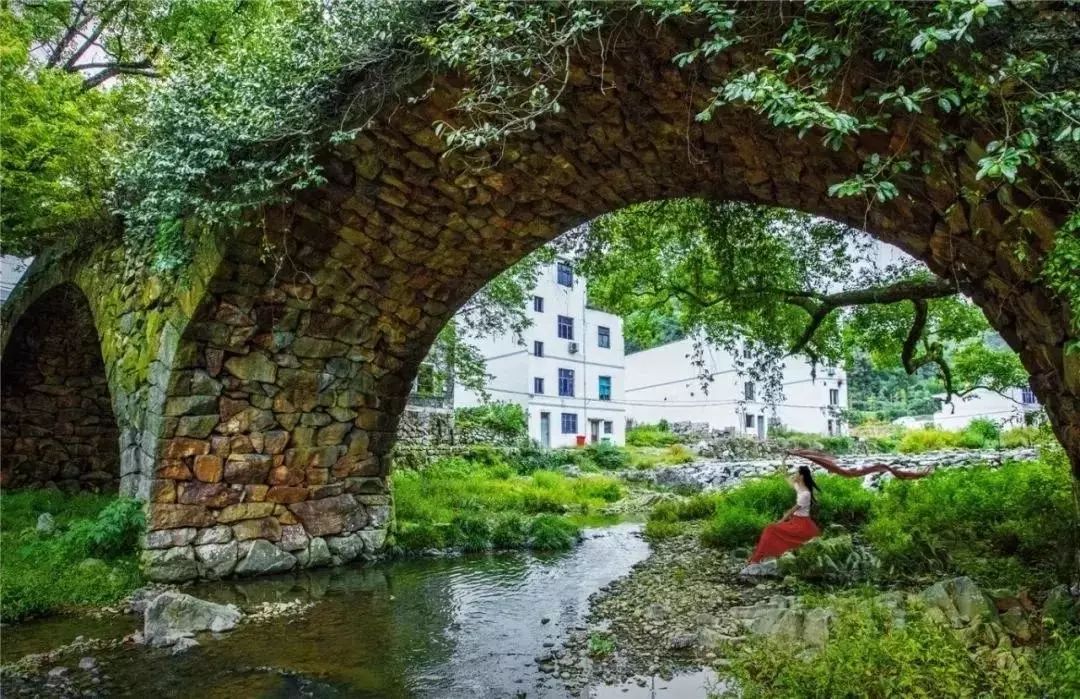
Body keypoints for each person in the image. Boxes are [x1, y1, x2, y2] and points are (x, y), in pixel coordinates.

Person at [747, 465, 821, 564]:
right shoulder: (801, 488)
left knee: (770, 529)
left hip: (801, 524)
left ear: (801, 476)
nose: (794, 475)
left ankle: (758, 558)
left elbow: (792, 510)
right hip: (796, 521)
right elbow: (790, 483)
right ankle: (762, 557)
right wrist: (783, 465)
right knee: (771, 530)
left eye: (796, 473)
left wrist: (781, 521)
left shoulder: (805, 494)